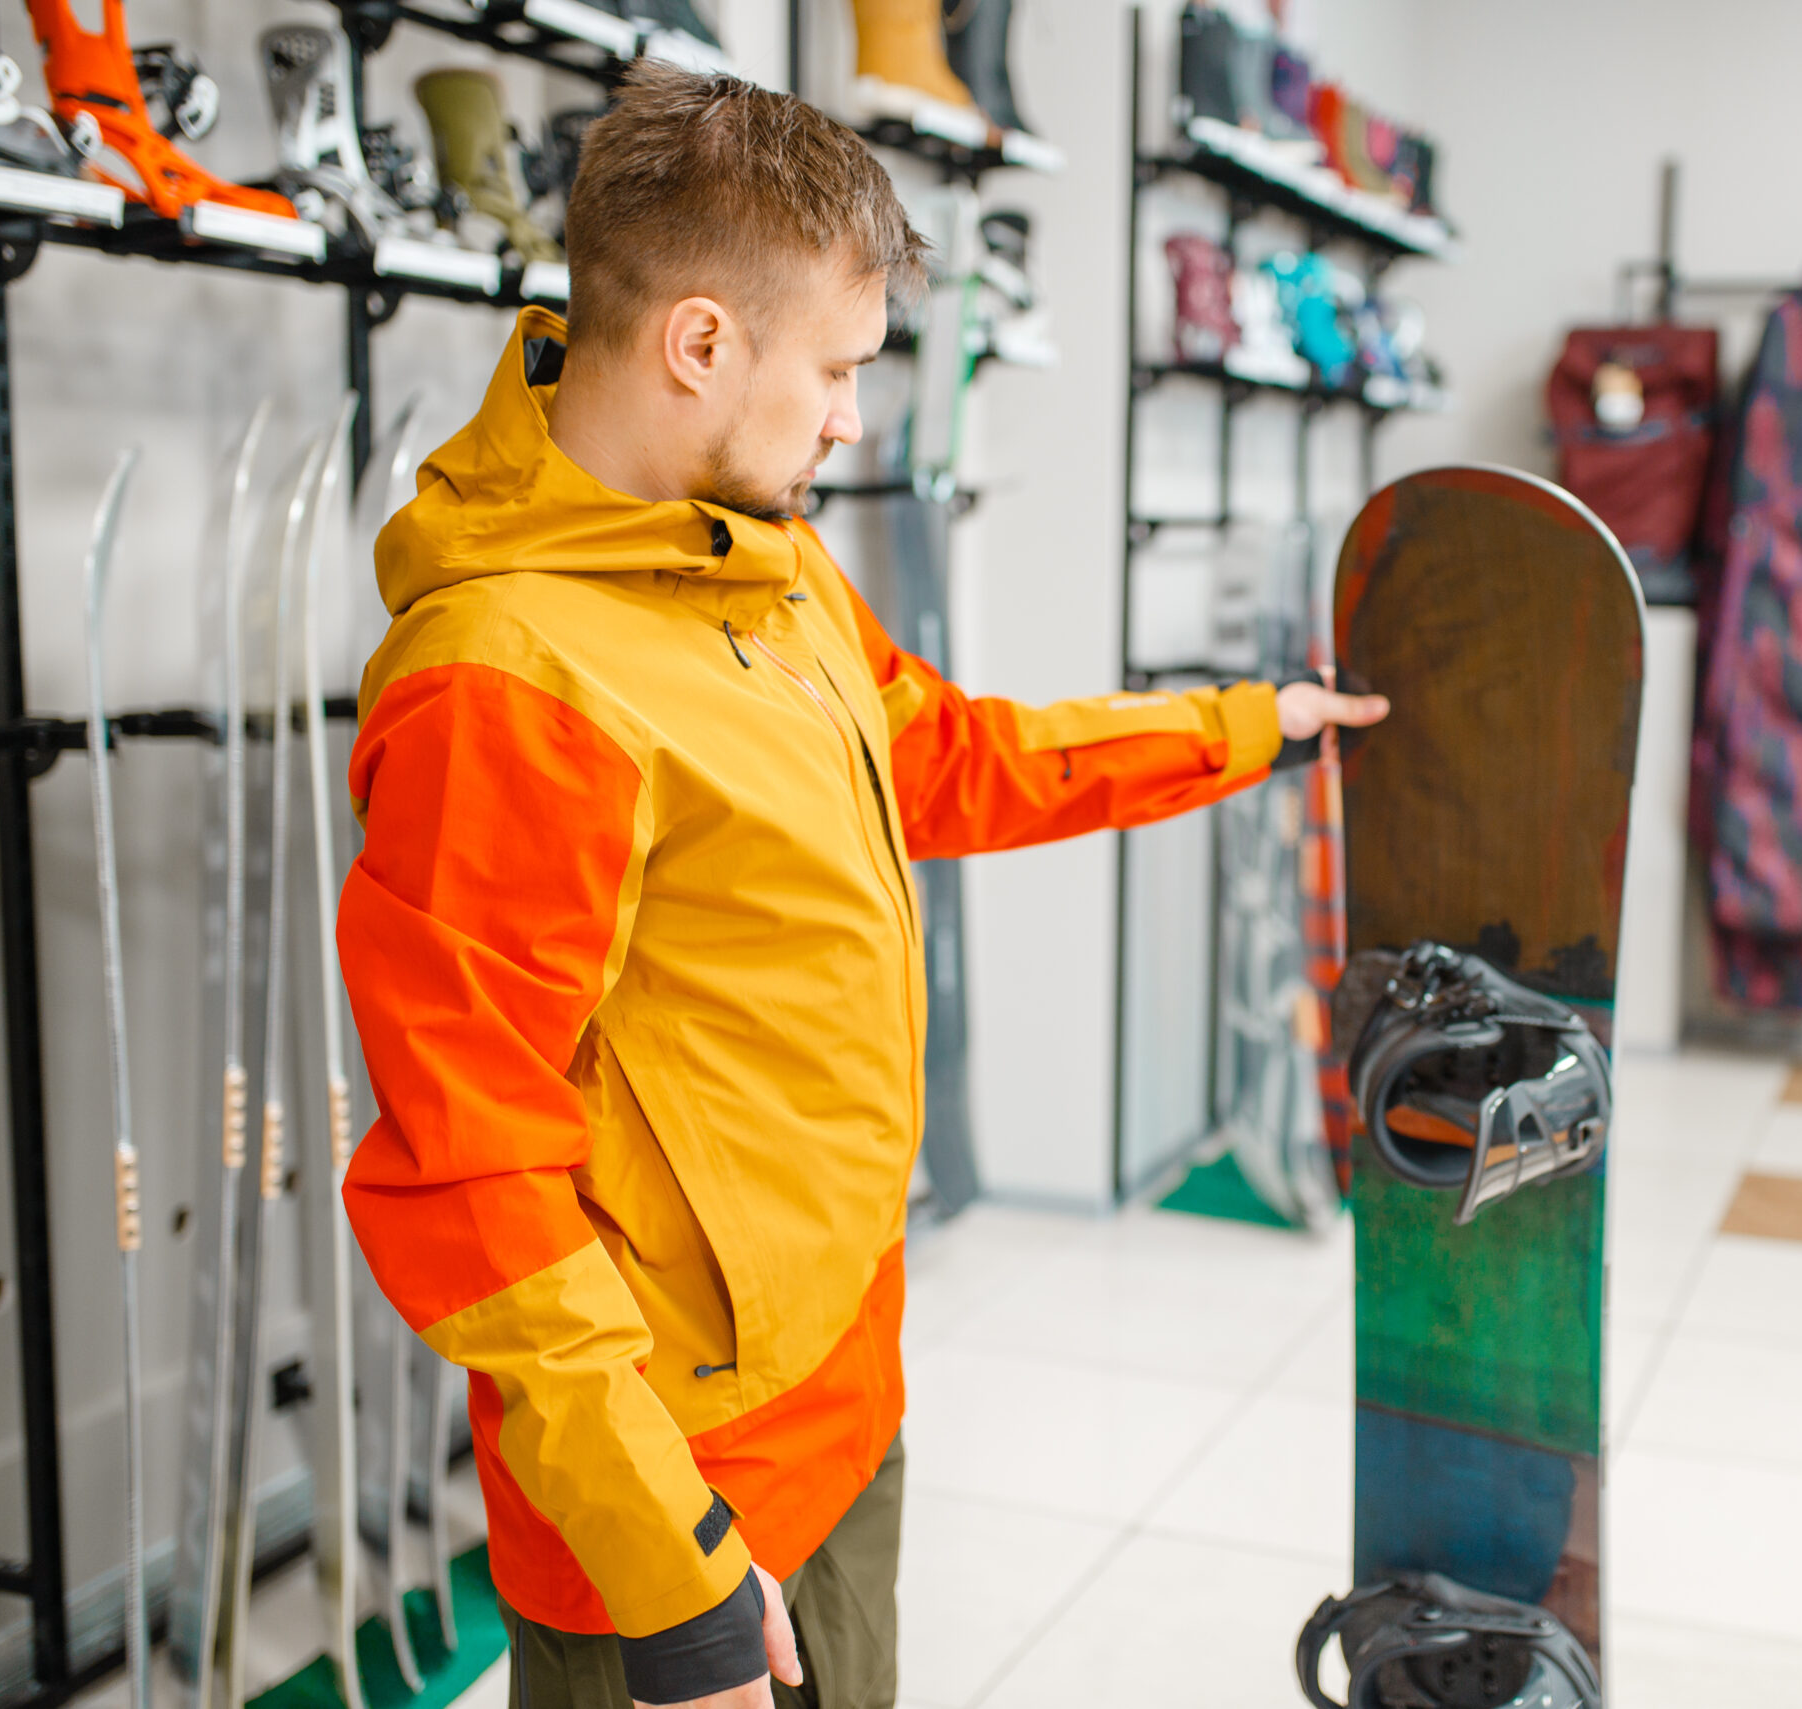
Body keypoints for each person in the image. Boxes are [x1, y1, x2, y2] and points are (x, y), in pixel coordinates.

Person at [336, 63, 1388, 1709]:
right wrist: (669, 1565)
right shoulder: (509, 682)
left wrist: (1252, 729)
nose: (848, 416)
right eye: (834, 371)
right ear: (700, 343)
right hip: (673, 1505)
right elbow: (471, 1183)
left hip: (840, 1397)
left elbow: (953, 757)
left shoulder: (763, 559)